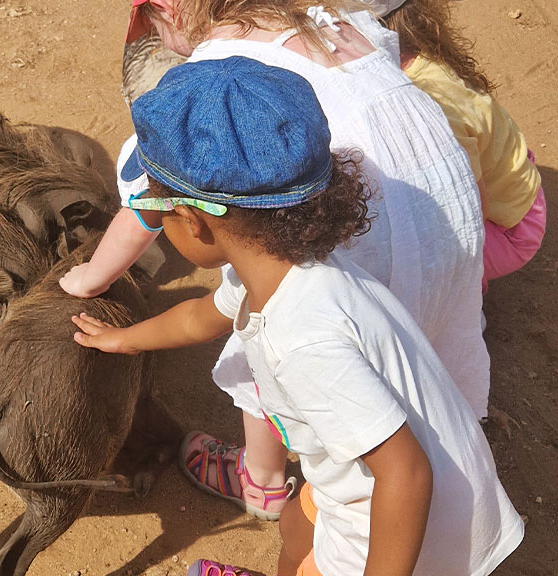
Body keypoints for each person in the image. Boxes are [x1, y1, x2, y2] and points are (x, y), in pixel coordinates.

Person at [71, 55, 523, 576]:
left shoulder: (304, 339)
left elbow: (405, 474)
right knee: (293, 524)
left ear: (194, 222)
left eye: (156, 211)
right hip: (386, 485)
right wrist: (125, 340)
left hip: (400, 527)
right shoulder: (280, 266)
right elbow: (202, 316)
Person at [369, 0, 546, 292]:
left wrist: (467, 273)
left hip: (511, 229)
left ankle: (469, 297)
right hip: (519, 191)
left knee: (408, 260)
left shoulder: (432, 104)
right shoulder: (427, 55)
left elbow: (474, 204)